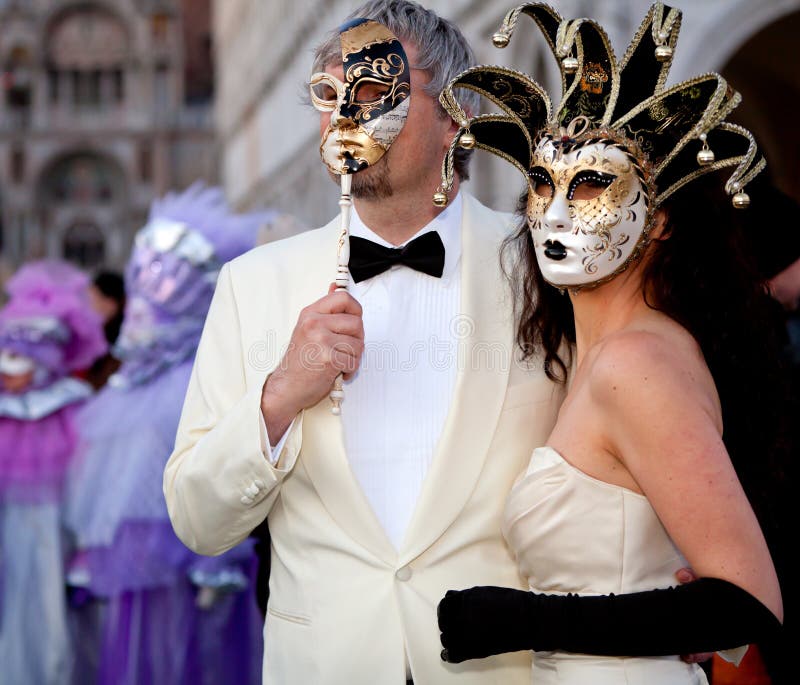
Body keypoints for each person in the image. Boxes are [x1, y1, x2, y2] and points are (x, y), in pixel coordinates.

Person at [163, 2, 566, 683]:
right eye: (328, 91)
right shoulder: (251, 284)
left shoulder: (543, 269)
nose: (345, 112)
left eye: (378, 90)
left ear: (454, 117)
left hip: (502, 665)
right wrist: (279, 397)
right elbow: (198, 520)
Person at [435, 3, 788, 684]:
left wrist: (521, 618)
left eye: (593, 183)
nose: (558, 211)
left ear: (658, 222)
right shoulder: (605, 354)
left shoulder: (638, 363)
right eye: (543, 183)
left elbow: (747, 602)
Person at [64, 184, 268, 685]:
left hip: (192, 547)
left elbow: (217, 470)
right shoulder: (126, 391)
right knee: (144, 636)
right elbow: (115, 488)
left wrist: (216, 557)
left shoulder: (200, 386)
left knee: (197, 640)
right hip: (139, 553)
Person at [0, 260, 107, 685]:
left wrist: (84, 556)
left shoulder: (72, 411)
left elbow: (90, 490)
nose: (7, 368)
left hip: (55, 541)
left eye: (17, 357)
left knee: (52, 627)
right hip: (7, 537)